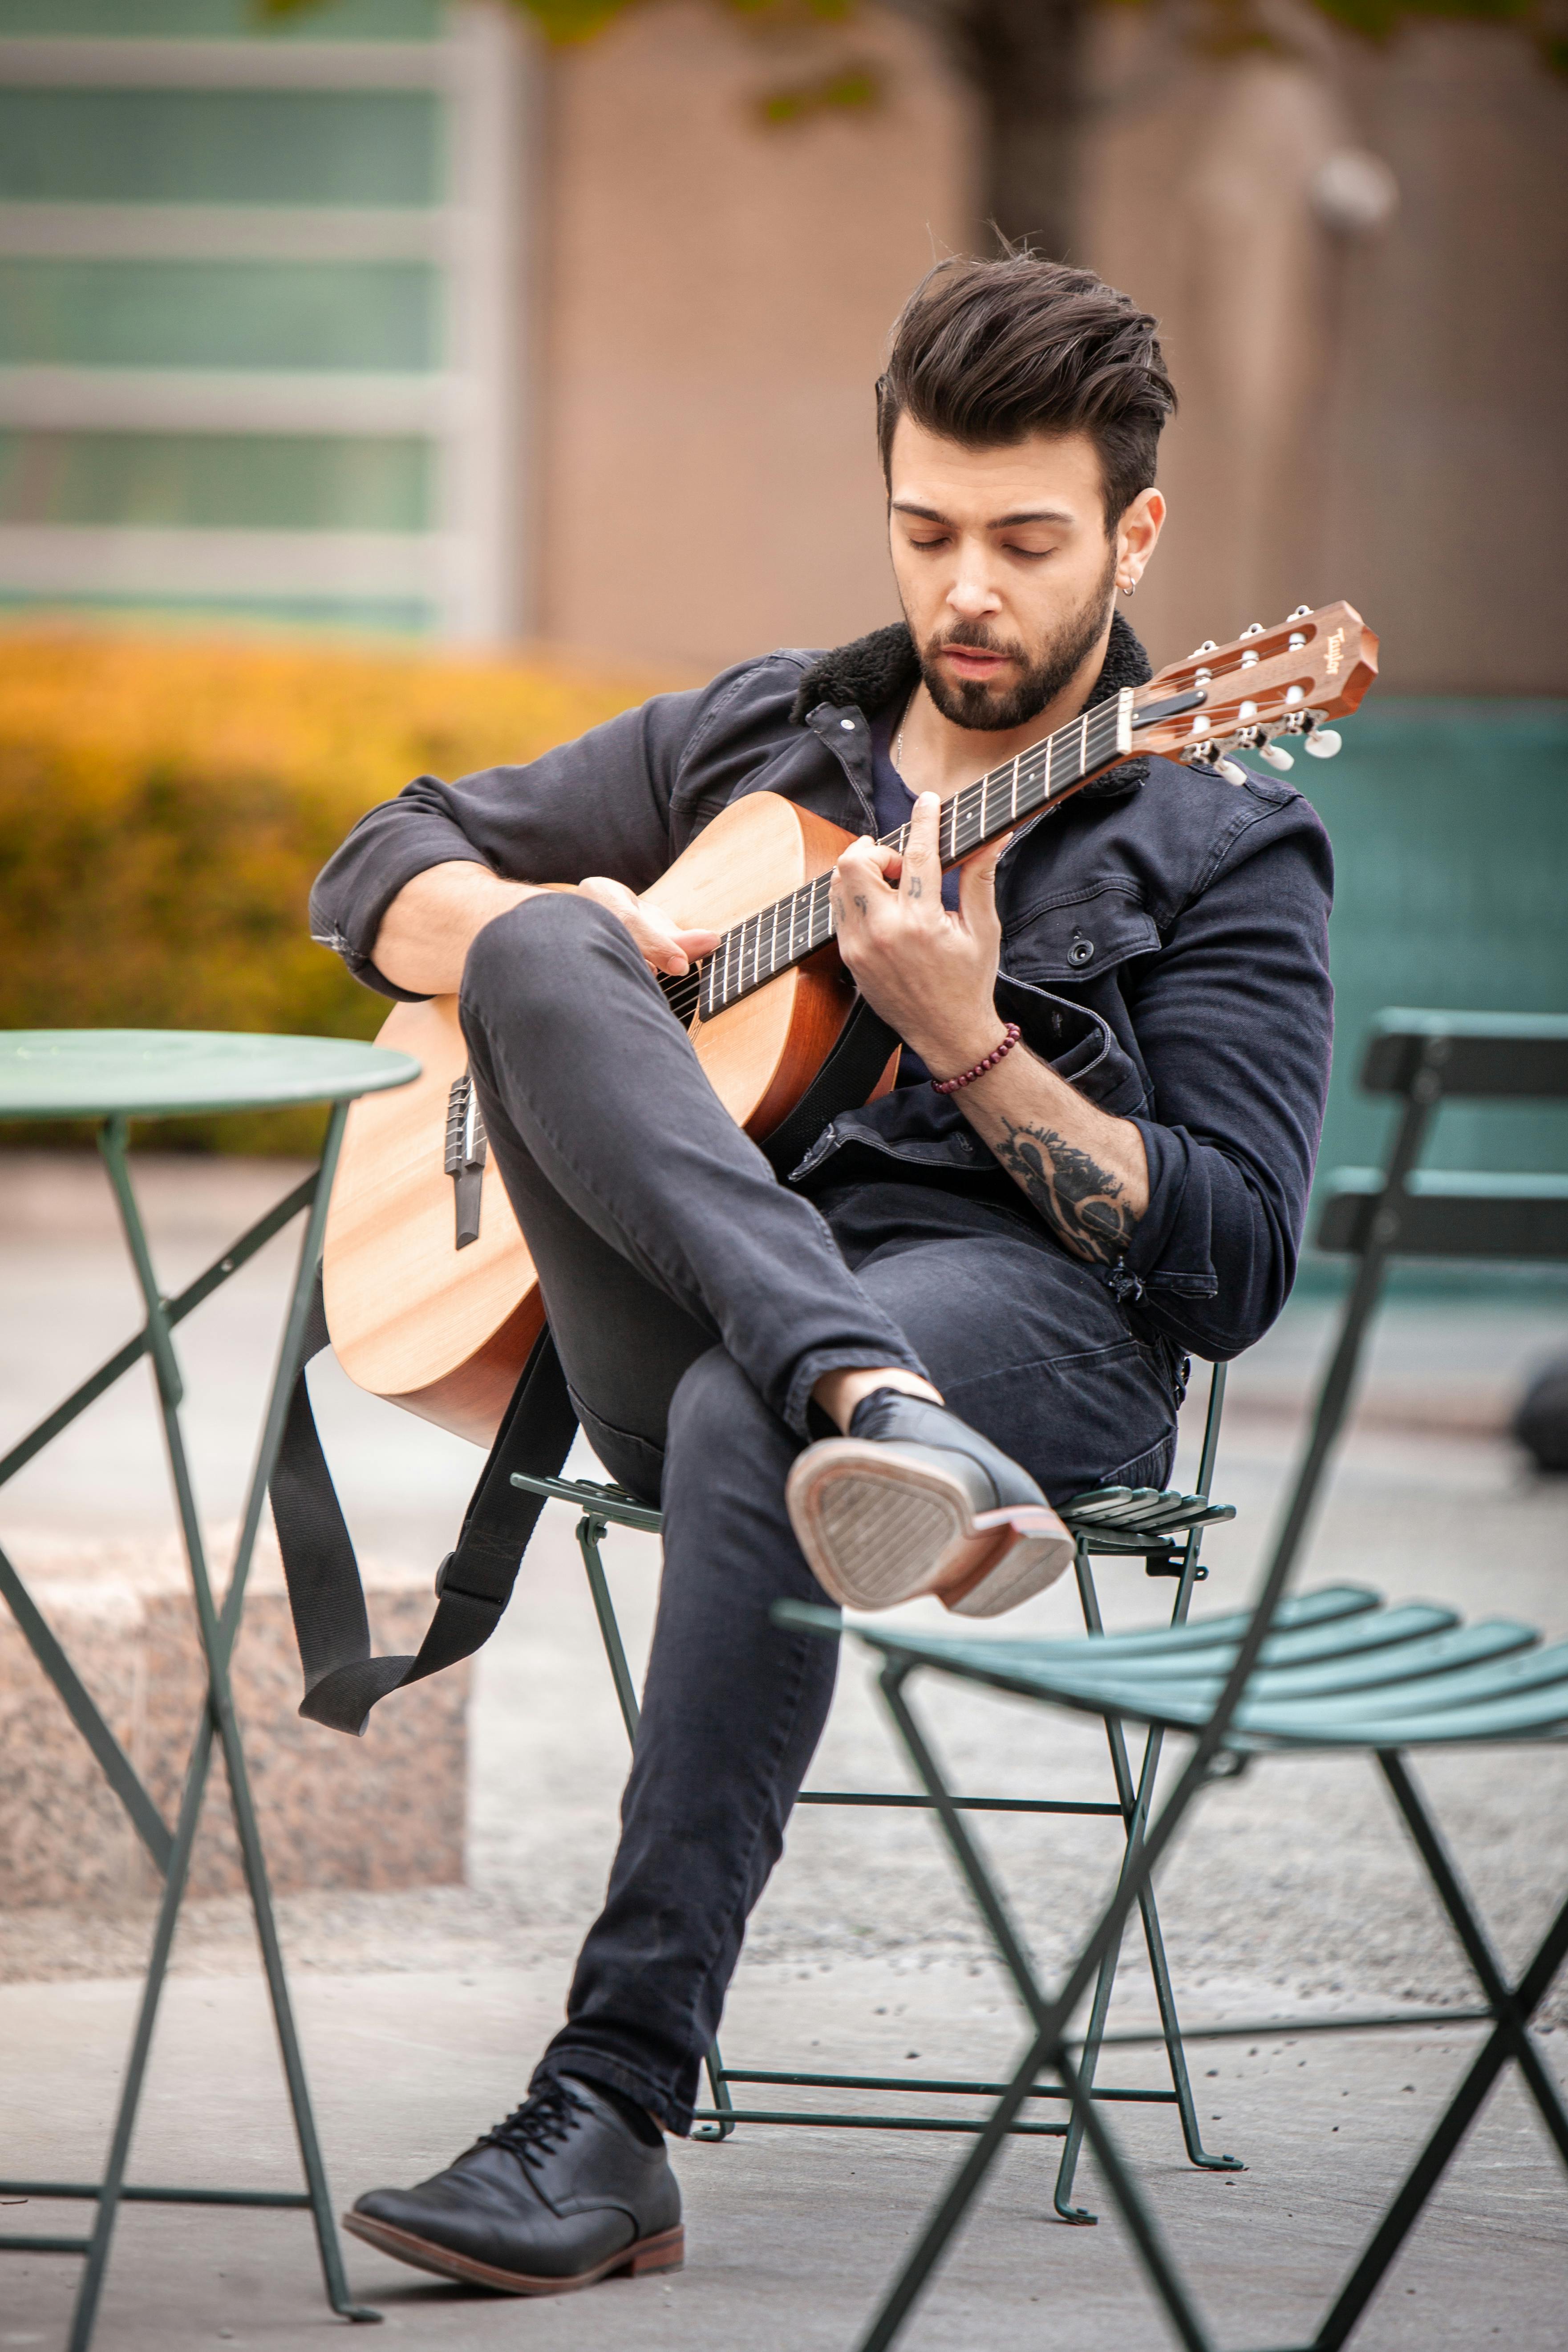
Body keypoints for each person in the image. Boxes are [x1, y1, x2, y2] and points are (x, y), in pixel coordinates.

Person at [309, 253, 1333, 2298]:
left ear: (1132, 535)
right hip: (741, 1316)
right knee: (527, 950)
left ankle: (602, 2113)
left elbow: (1226, 1261)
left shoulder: (1216, 840)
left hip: (1013, 1325)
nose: (966, 588)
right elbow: (374, 863)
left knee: (732, 1411)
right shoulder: (773, 731)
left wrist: (967, 1037)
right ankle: (859, 1394)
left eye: (1024, 543)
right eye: (924, 528)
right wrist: (564, 921)